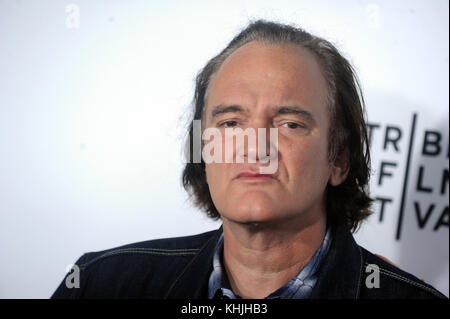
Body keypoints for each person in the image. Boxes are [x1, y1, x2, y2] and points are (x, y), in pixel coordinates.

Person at [52, 20, 446, 299]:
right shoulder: (98, 284)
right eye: (229, 122)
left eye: (290, 123)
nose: (255, 146)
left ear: (339, 159)